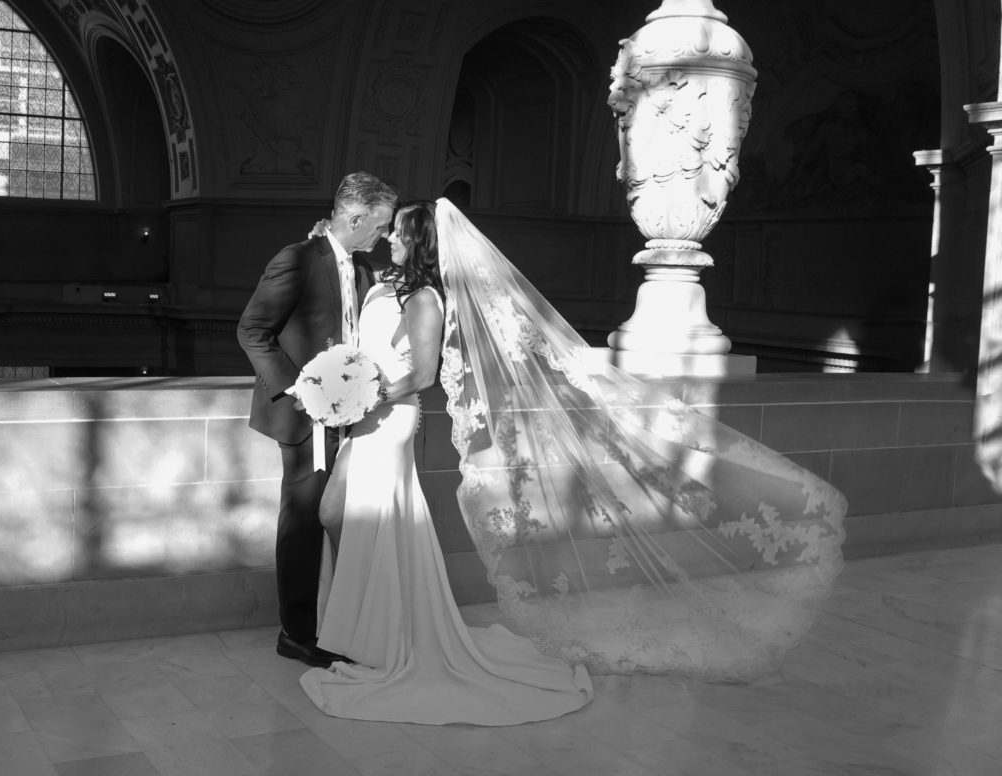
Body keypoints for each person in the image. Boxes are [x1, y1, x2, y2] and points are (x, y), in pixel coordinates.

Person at [298, 197, 847, 724]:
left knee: (360, 518)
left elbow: (419, 376)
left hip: (388, 422)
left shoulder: (425, 301)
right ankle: (366, 629)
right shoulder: (392, 290)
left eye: (400, 231)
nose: (391, 236)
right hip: (367, 419)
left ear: (420, 243)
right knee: (342, 515)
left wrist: (364, 395)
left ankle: (390, 637)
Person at [237, 172, 397, 669]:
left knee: (342, 518)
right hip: (306, 419)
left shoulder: (367, 269)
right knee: (303, 521)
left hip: (353, 418)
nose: (385, 235)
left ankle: (342, 621)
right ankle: (297, 633)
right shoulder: (297, 259)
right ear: (355, 217)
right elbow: (252, 330)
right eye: (380, 225)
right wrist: (300, 391)